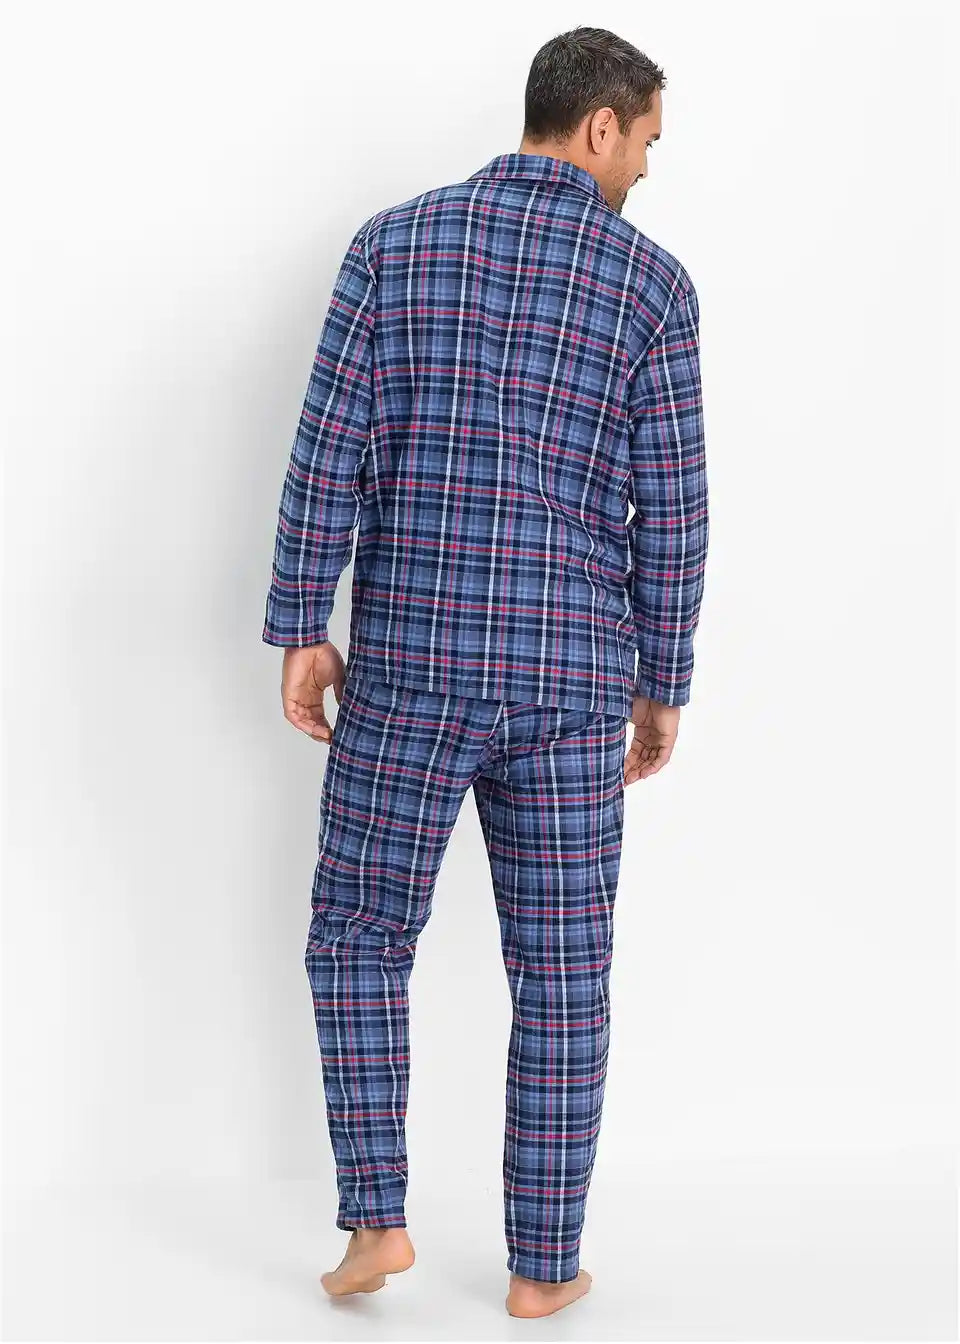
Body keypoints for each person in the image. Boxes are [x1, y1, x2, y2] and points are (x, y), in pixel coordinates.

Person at [262, 24, 709, 1321]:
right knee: (564, 974)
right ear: (600, 125)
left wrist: (302, 624)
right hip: (573, 680)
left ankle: (378, 1224)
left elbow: (325, 452)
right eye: (647, 142)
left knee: (358, 938)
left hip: (409, 665)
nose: (646, 170)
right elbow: (673, 511)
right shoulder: (651, 285)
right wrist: (663, 678)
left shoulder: (392, 246)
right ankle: (542, 1265)